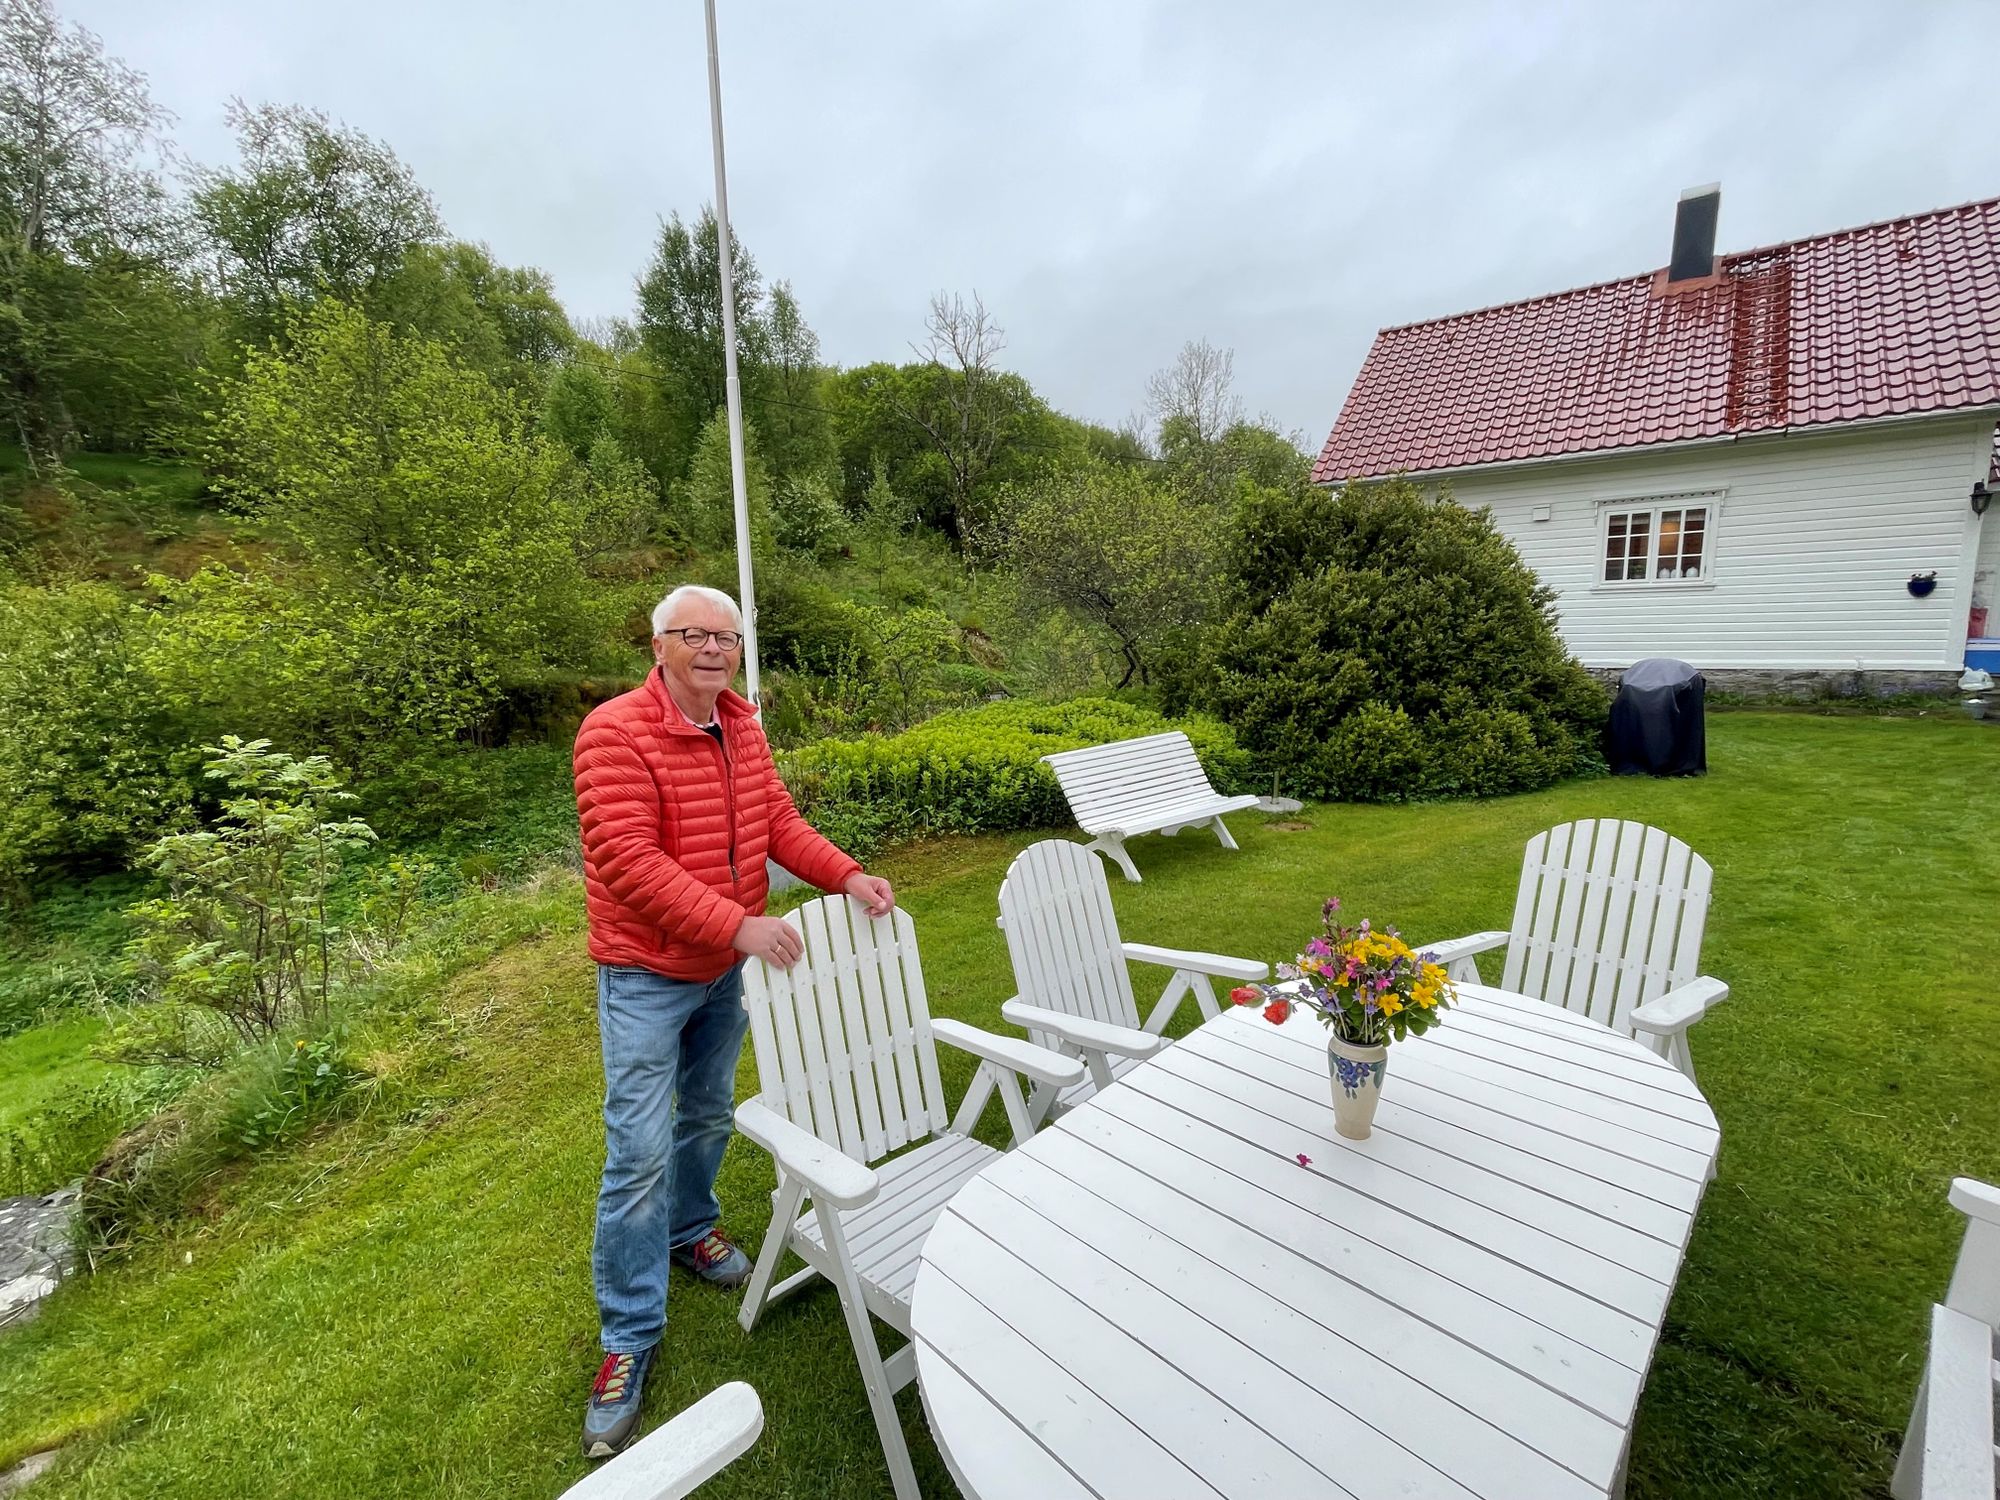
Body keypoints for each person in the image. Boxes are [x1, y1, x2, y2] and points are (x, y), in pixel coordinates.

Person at [571, 583, 894, 1459]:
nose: (715, 648)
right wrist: (738, 924)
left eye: (729, 637)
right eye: (696, 635)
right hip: (644, 973)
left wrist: (845, 874)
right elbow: (627, 862)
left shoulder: (743, 725)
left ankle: (690, 1229)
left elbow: (775, 822)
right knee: (635, 1153)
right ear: (661, 643)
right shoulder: (614, 733)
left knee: (710, 1113)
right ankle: (628, 1339)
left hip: (721, 973)